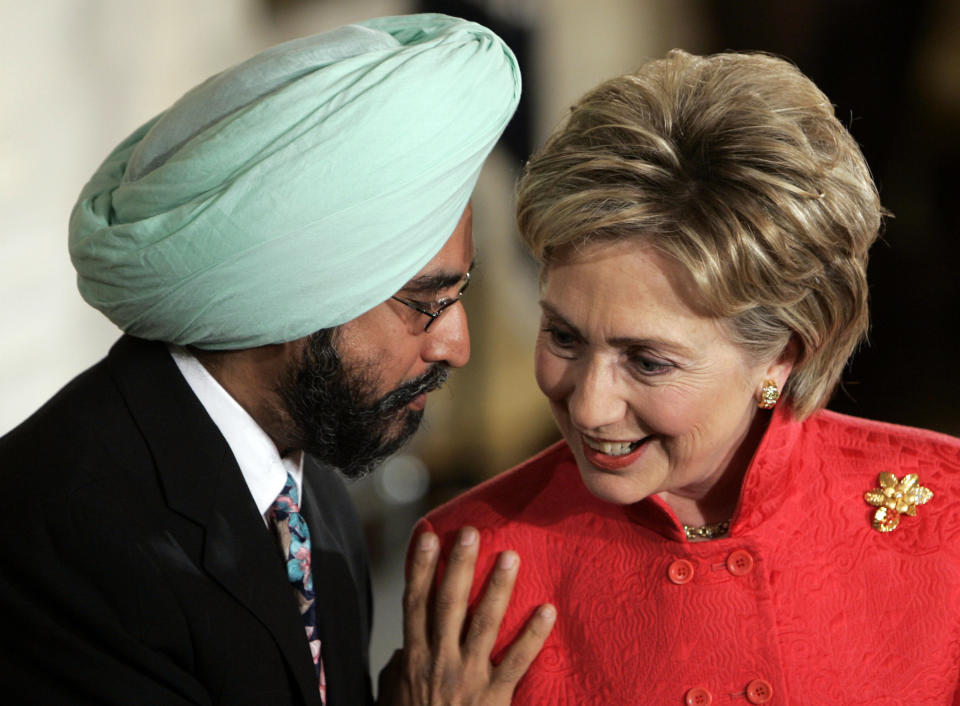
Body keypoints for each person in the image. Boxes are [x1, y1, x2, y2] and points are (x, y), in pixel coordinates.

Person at [0, 14, 555, 706]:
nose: (456, 345)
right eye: (424, 301)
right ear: (294, 295)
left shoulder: (308, 492)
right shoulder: (60, 540)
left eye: (459, 292)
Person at [417, 49, 960, 704]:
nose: (589, 406)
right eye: (563, 336)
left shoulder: (946, 521)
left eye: (648, 361)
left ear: (784, 354)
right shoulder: (470, 560)